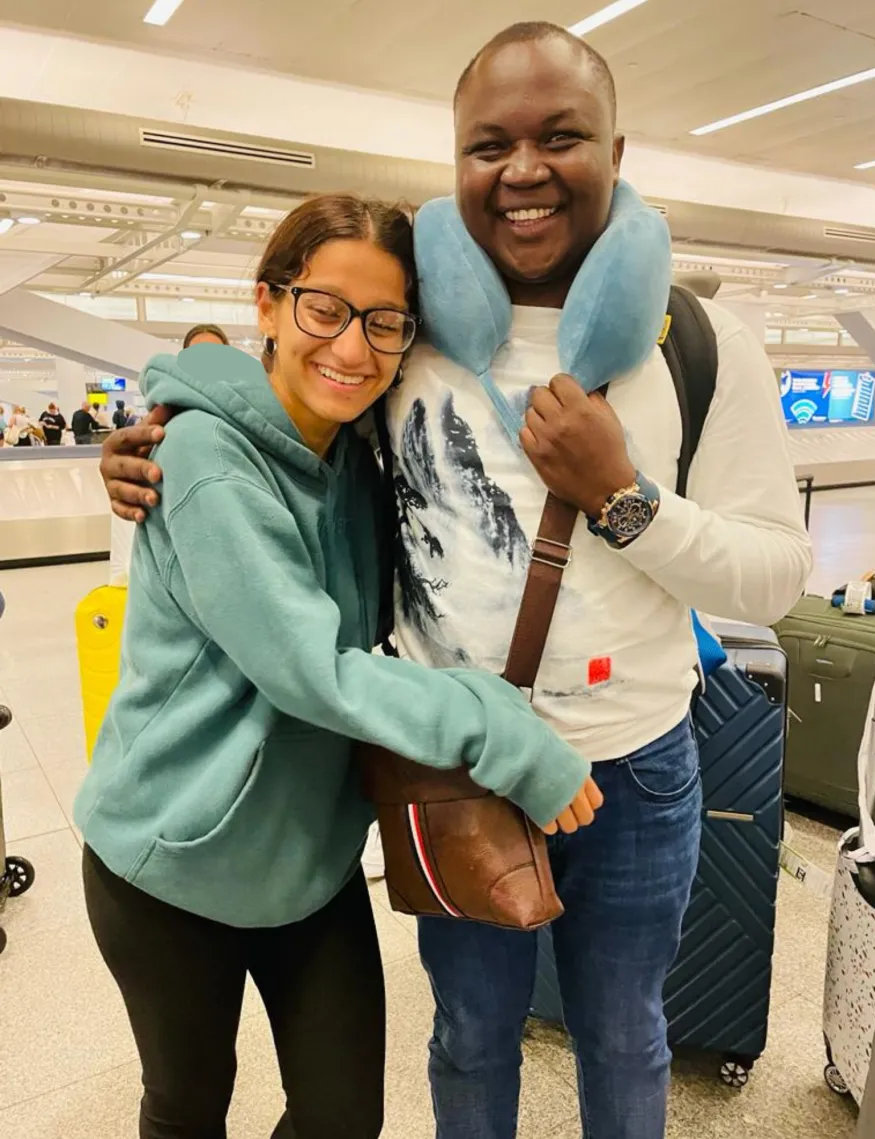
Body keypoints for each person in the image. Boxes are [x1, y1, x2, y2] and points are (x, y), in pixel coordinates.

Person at [98, 23, 813, 1139]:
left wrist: (625, 495)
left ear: (615, 154)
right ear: (456, 163)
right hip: (451, 770)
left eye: (559, 136)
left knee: (626, 1034)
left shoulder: (704, 345)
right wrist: (166, 431)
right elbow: (294, 397)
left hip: (637, 769)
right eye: (489, 145)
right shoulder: (412, 335)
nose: (522, 169)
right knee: (467, 1036)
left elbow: (774, 572)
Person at [76, 191, 600, 1139]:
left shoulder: (356, 457)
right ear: (268, 305)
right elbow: (312, 669)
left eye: (384, 323)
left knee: (340, 1114)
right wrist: (501, 729)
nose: (352, 349)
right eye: (325, 309)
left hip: (307, 867)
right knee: (187, 1107)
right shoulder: (204, 457)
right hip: (170, 865)